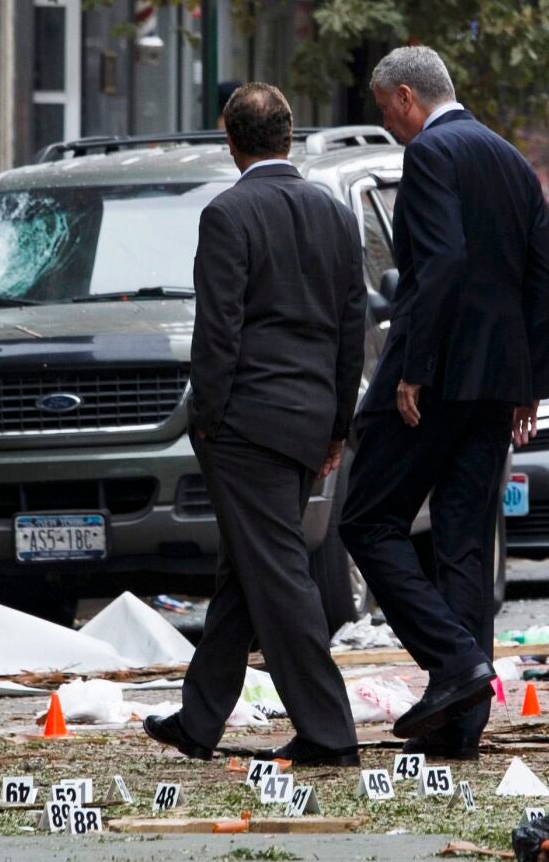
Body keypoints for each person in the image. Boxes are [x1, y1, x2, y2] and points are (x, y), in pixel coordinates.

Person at [338, 46, 549, 758]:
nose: (389, 123)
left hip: (437, 378)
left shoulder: (433, 154)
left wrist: (412, 367)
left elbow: (439, 265)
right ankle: (460, 723)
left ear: (407, 96)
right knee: (464, 540)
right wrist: (529, 380)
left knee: (368, 518)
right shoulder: (507, 156)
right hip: (498, 382)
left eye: (385, 109)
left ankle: (454, 662)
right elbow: (547, 275)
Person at [144, 83, 367, 766]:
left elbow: (219, 332)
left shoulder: (228, 214)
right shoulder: (334, 214)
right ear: (290, 136)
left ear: (230, 139)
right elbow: (350, 327)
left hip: (246, 424)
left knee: (275, 574)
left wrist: (205, 419)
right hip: (305, 424)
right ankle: (200, 718)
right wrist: (337, 425)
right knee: (246, 570)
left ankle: (329, 731)